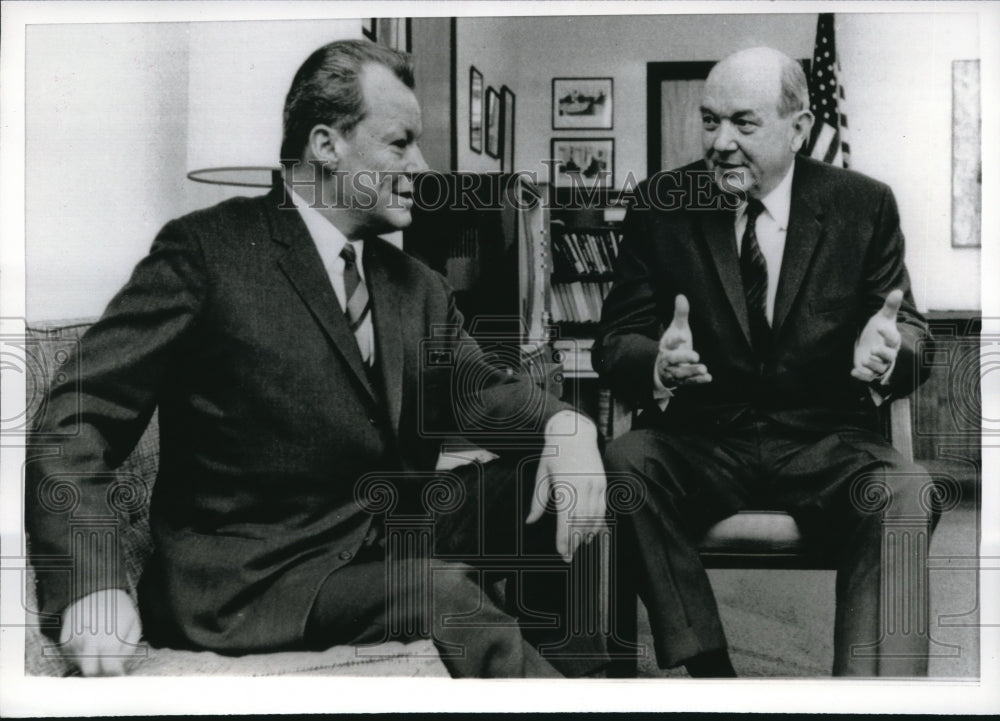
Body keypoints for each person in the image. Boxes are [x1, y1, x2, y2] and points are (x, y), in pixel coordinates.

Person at [25, 38, 607, 678]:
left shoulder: (416, 285)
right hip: (255, 583)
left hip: (383, 534)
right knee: (443, 595)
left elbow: (482, 392)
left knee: (567, 488)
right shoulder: (207, 253)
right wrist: (90, 585)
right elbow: (79, 418)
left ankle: (588, 677)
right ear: (327, 145)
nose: (422, 164)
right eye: (400, 143)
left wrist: (566, 425)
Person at [595, 47, 935, 677]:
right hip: (703, 439)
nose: (720, 142)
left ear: (799, 127)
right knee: (625, 461)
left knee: (906, 489)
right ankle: (712, 674)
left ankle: (870, 693)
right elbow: (616, 337)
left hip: (823, 443)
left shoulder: (864, 205)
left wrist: (892, 353)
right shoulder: (662, 203)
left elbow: (908, 328)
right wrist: (656, 363)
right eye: (709, 121)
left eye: (743, 124)